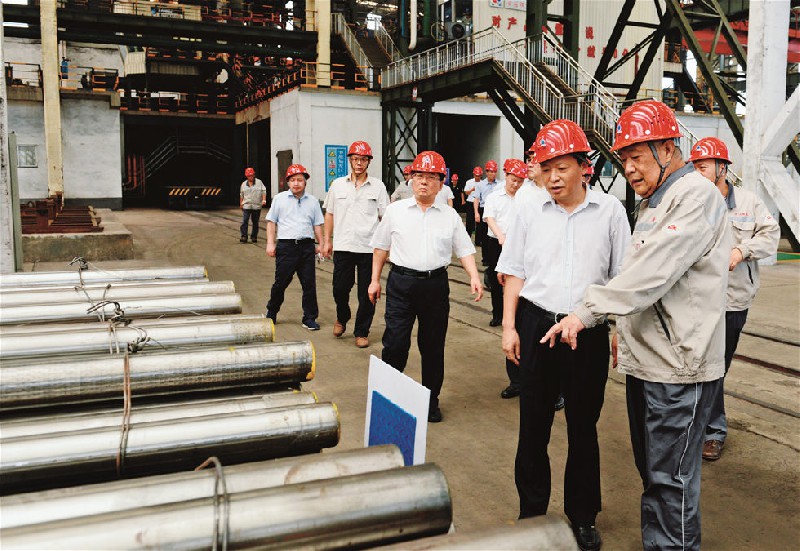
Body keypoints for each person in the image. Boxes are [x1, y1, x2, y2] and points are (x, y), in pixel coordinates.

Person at [540, 100, 731, 550]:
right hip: (648, 365)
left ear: (667, 149)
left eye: (637, 156)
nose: (628, 168)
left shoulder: (695, 196)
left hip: (679, 369)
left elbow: (651, 275)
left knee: (671, 483)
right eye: (623, 158)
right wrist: (622, 334)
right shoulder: (654, 202)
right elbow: (635, 276)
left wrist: (585, 312)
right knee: (655, 476)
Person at [496, 120, 630, 551]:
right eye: (546, 168)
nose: (552, 177)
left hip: (587, 331)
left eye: (562, 167)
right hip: (537, 326)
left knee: (583, 427)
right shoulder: (529, 209)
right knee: (532, 425)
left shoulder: (610, 212)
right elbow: (514, 270)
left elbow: (622, 278)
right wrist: (509, 326)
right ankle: (532, 514)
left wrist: (618, 329)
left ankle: (583, 517)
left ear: (583, 167)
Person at [368, 150, 483, 423]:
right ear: (411, 179)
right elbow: (380, 247)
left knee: (432, 348)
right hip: (401, 284)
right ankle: (390, 399)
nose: (423, 182)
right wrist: (374, 280)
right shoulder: (395, 211)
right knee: (395, 345)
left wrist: (474, 276)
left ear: (441, 183)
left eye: (431, 177)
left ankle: (431, 400)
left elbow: (464, 249)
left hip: (435, 287)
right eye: (419, 175)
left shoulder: (450, 216)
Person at [689, 137, 780, 461]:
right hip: (699, 299)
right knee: (702, 365)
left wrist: (742, 250)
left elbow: (770, 235)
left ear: (722, 168)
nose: (697, 173)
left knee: (717, 367)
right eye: (694, 167)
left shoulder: (748, 203)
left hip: (733, 301)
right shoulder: (693, 202)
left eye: (702, 167)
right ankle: (708, 429)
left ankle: (710, 430)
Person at [322, 141, 390, 348]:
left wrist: (387, 247)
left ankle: (361, 331)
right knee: (339, 288)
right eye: (355, 159)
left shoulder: (378, 187)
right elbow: (329, 213)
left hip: (369, 248)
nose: (359, 163)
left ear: (369, 162)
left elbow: (386, 218)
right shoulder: (337, 185)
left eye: (363, 159)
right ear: (350, 161)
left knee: (367, 293)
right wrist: (326, 240)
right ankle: (342, 317)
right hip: (343, 246)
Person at [483, 158, 527, 400]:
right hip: (498, 244)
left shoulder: (527, 198)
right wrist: (501, 237)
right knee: (497, 284)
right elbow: (490, 218)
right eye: (513, 179)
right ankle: (499, 313)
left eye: (520, 180)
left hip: (521, 249)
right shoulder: (494, 196)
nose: (516, 184)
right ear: (506, 175)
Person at [265, 164, 324, 331]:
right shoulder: (279, 199)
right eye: (292, 180)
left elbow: (317, 224)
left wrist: (321, 243)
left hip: (307, 247)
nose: (296, 183)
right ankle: (272, 311)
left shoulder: (313, 201)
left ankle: (309, 318)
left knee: (309, 284)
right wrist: (270, 243)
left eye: (299, 180)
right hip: (286, 247)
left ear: (305, 182)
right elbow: (271, 222)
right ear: (287, 182)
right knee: (281, 282)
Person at [473, 160, 502, 253]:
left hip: (496, 211)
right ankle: (485, 257)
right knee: (484, 235)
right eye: (491, 172)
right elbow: (476, 199)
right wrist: (476, 213)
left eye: (495, 172)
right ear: (487, 172)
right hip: (484, 210)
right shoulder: (480, 185)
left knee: (495, 233)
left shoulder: (500, 184)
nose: (493, 174)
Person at [240, 167, 267, 243]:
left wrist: (264, 199)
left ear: (254, 175)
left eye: (252, 175)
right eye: (249, 176)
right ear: (246, 176)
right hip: (246, 205)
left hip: (256, 206)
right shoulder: (243, 184)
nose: (250, 177)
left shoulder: (259, 182)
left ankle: (254, 237)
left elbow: (263, 191)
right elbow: (241, 195)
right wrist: (241, 204)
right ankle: (244, 236)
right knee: (245, 221)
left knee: (255, 222)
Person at [463, 166, 483, 238]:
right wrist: (472, 189)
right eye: (476, 175)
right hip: (470, 203)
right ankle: (467, 238)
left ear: (481, 175)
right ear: (473, 175)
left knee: (479, 223)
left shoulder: (483, 183)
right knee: (469, 222)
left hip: (479, 203)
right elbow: (466, 193)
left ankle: (478, 240)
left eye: (479, 176)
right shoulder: (469, 182)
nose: (477, 177)